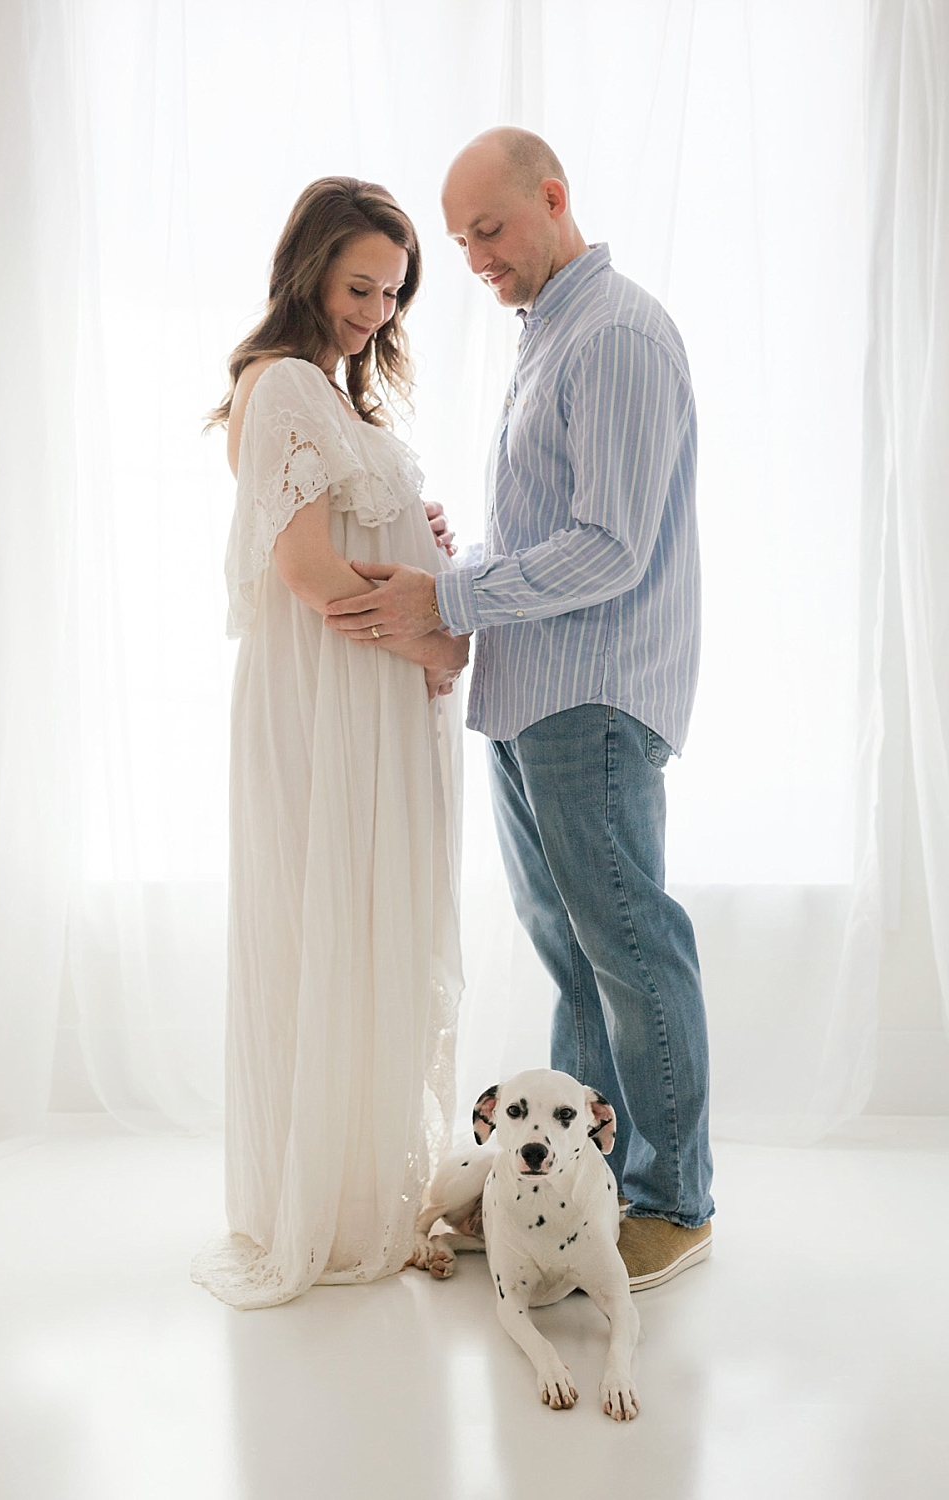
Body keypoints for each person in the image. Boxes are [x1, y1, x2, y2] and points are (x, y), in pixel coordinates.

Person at [325, 127, 714, 1290]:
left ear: (551, 199)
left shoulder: (615, 334)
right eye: (458, 243)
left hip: (588, 697)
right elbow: (551, 535)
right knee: (576, 956)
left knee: (632, 948)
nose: (474, 260)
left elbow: (606, 548)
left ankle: (669, 1201)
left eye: (487, 231)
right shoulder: (550, 336)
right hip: (530, 692)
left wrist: (447, 591)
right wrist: (456, 575)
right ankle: (565, 1193)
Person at [191, 176, 469, 1310]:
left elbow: (344, 532)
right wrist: (435, 642)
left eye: (392, 294)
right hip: (335, 696)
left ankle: (361, 1189)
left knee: (367, 931)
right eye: (359, 286)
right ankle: (330, 1204)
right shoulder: (285, 383)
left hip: (362, 697)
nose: (373, 312)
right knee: (335, 923)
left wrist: (418, 537)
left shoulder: (334, 399)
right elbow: (304, 574)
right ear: (307, 269)